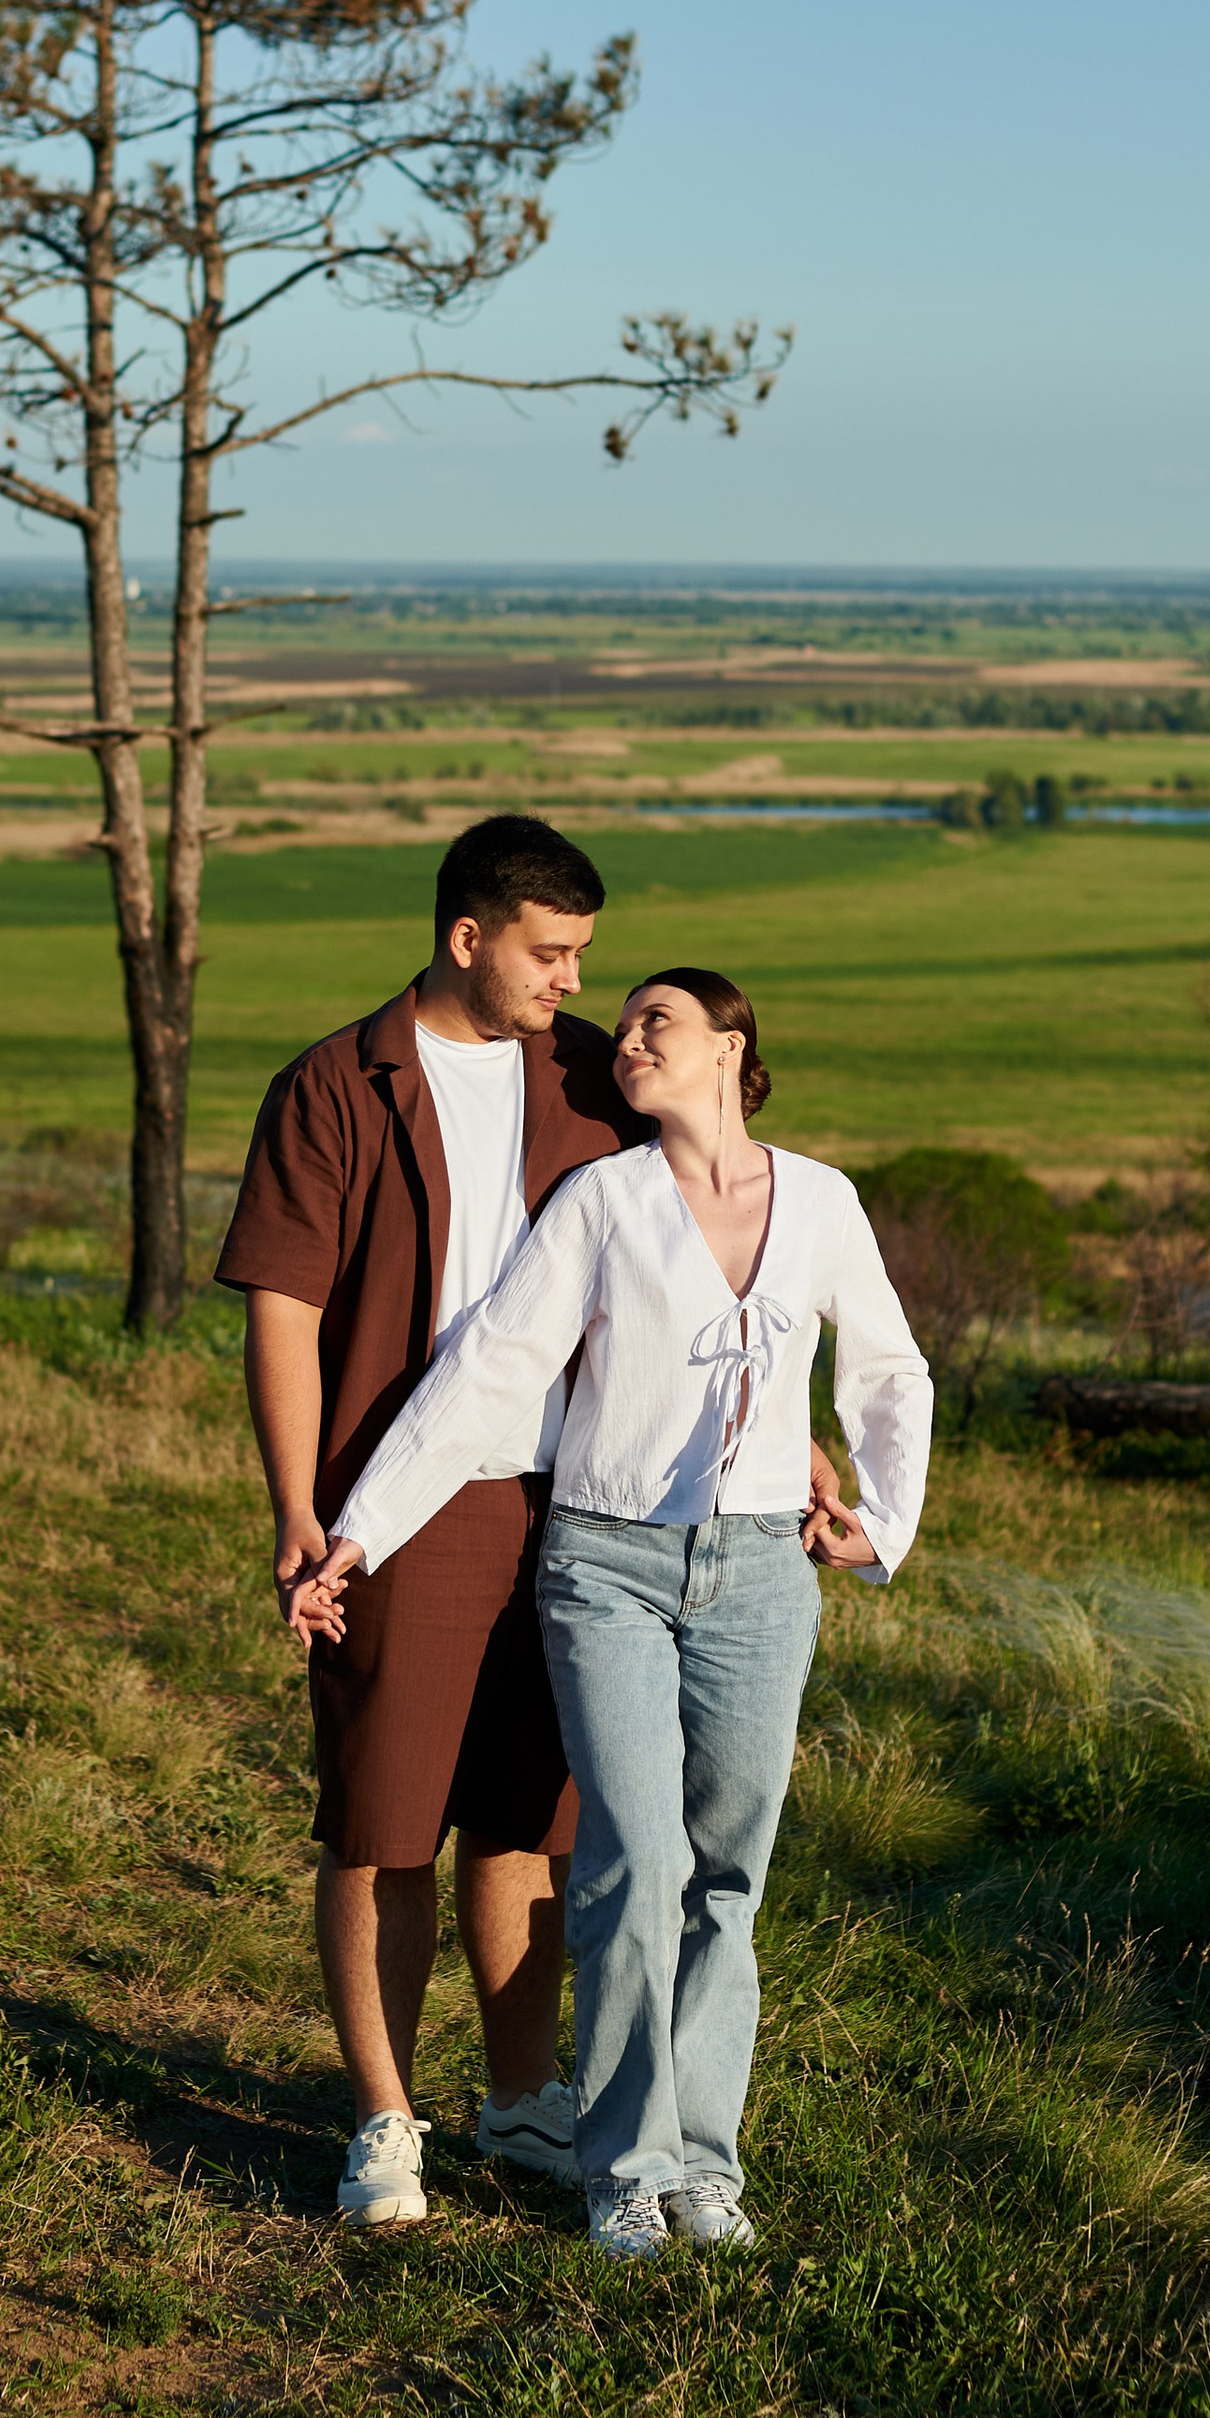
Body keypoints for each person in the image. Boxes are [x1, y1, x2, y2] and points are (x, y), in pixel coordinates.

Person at [218, 822, 845, 2236]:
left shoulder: (586, 1076)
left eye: (585, 958)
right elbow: (284, 1312)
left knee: (535, 1824)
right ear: (467, 940)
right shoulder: (335, 1086)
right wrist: (298, 1511)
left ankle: (518, 2104)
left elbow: (711, 1239)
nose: (575, 985)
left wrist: (788, 1428)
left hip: (589, 1504)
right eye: (551, 954)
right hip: (406, 1501)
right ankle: (386, 2122)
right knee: (384, 1824)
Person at [300, 966, 930, 2260]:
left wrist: (885, 1519)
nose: (624, 1039)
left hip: (760, 1572)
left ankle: (710, 2164)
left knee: (725, 1876)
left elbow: (888, 1363)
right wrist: (360, 1533)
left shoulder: (820, 1201)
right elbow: (491, 1370)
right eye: (628, 1020)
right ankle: (626, 2171)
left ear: (730, 1048)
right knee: (634, 1862)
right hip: (607, 1570)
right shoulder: (603, 1199)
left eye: (658, 1023)